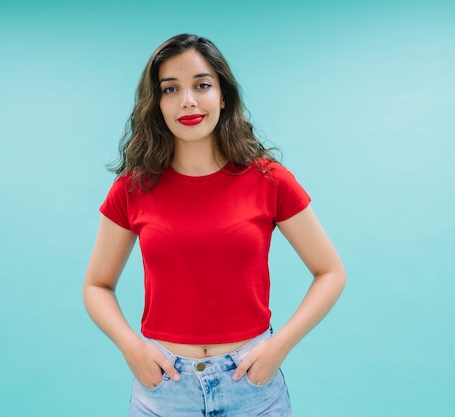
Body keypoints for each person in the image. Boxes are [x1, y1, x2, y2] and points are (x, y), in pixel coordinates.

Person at [83, 33, 346, 417]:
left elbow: (331, 272)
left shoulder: (269, 180)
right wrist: (131, 346)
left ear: (223, 96)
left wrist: (279, 347)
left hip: (252, 388)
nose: (187, 100)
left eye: (202, 85)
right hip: (164, 390)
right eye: (170, 89)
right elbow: (96, 285)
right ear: (156, 104)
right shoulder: (132, 188)